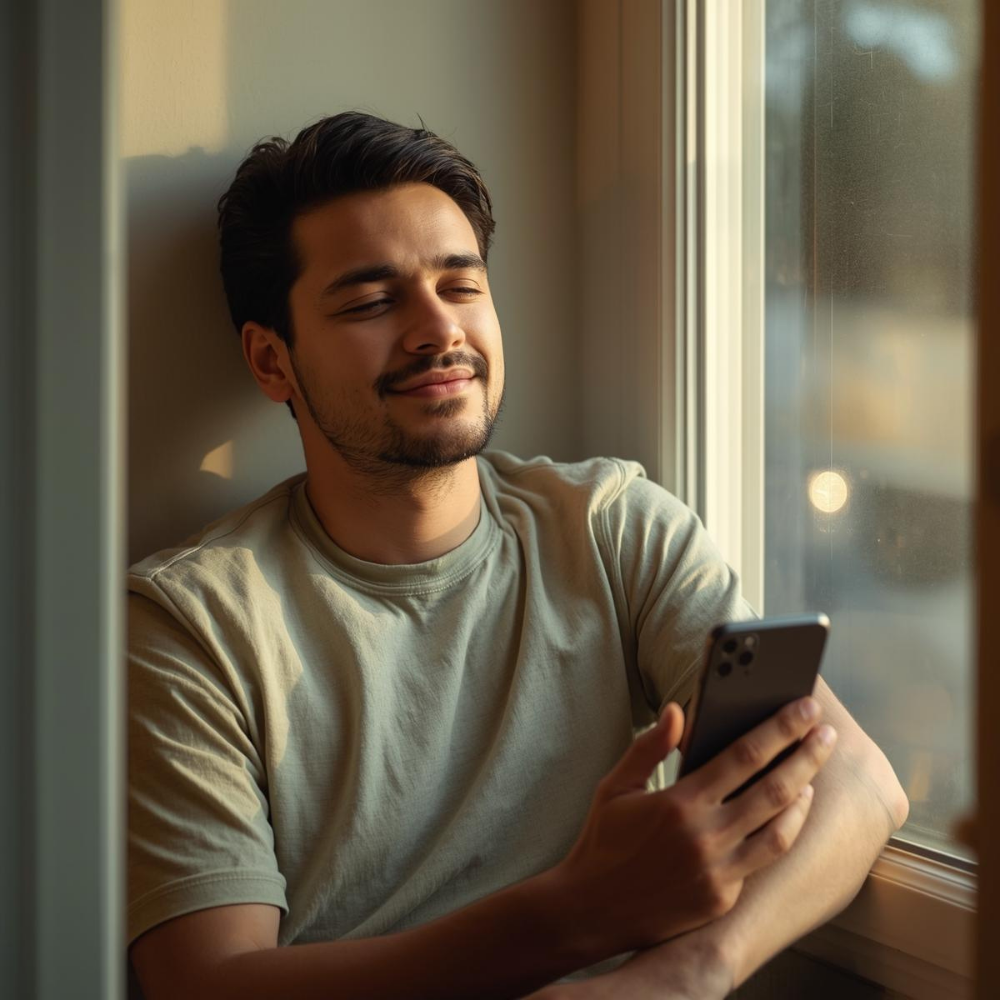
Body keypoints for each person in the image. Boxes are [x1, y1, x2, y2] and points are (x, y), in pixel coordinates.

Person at [127, 111, 908, 1000]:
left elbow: (862, 782)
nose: (437, 331)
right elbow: (207, 986)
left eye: (461, 286)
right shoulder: (187, 623)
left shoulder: (613, 527)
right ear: (273, 362)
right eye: (373, 302)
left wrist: (686, 973)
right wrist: (575, 912)